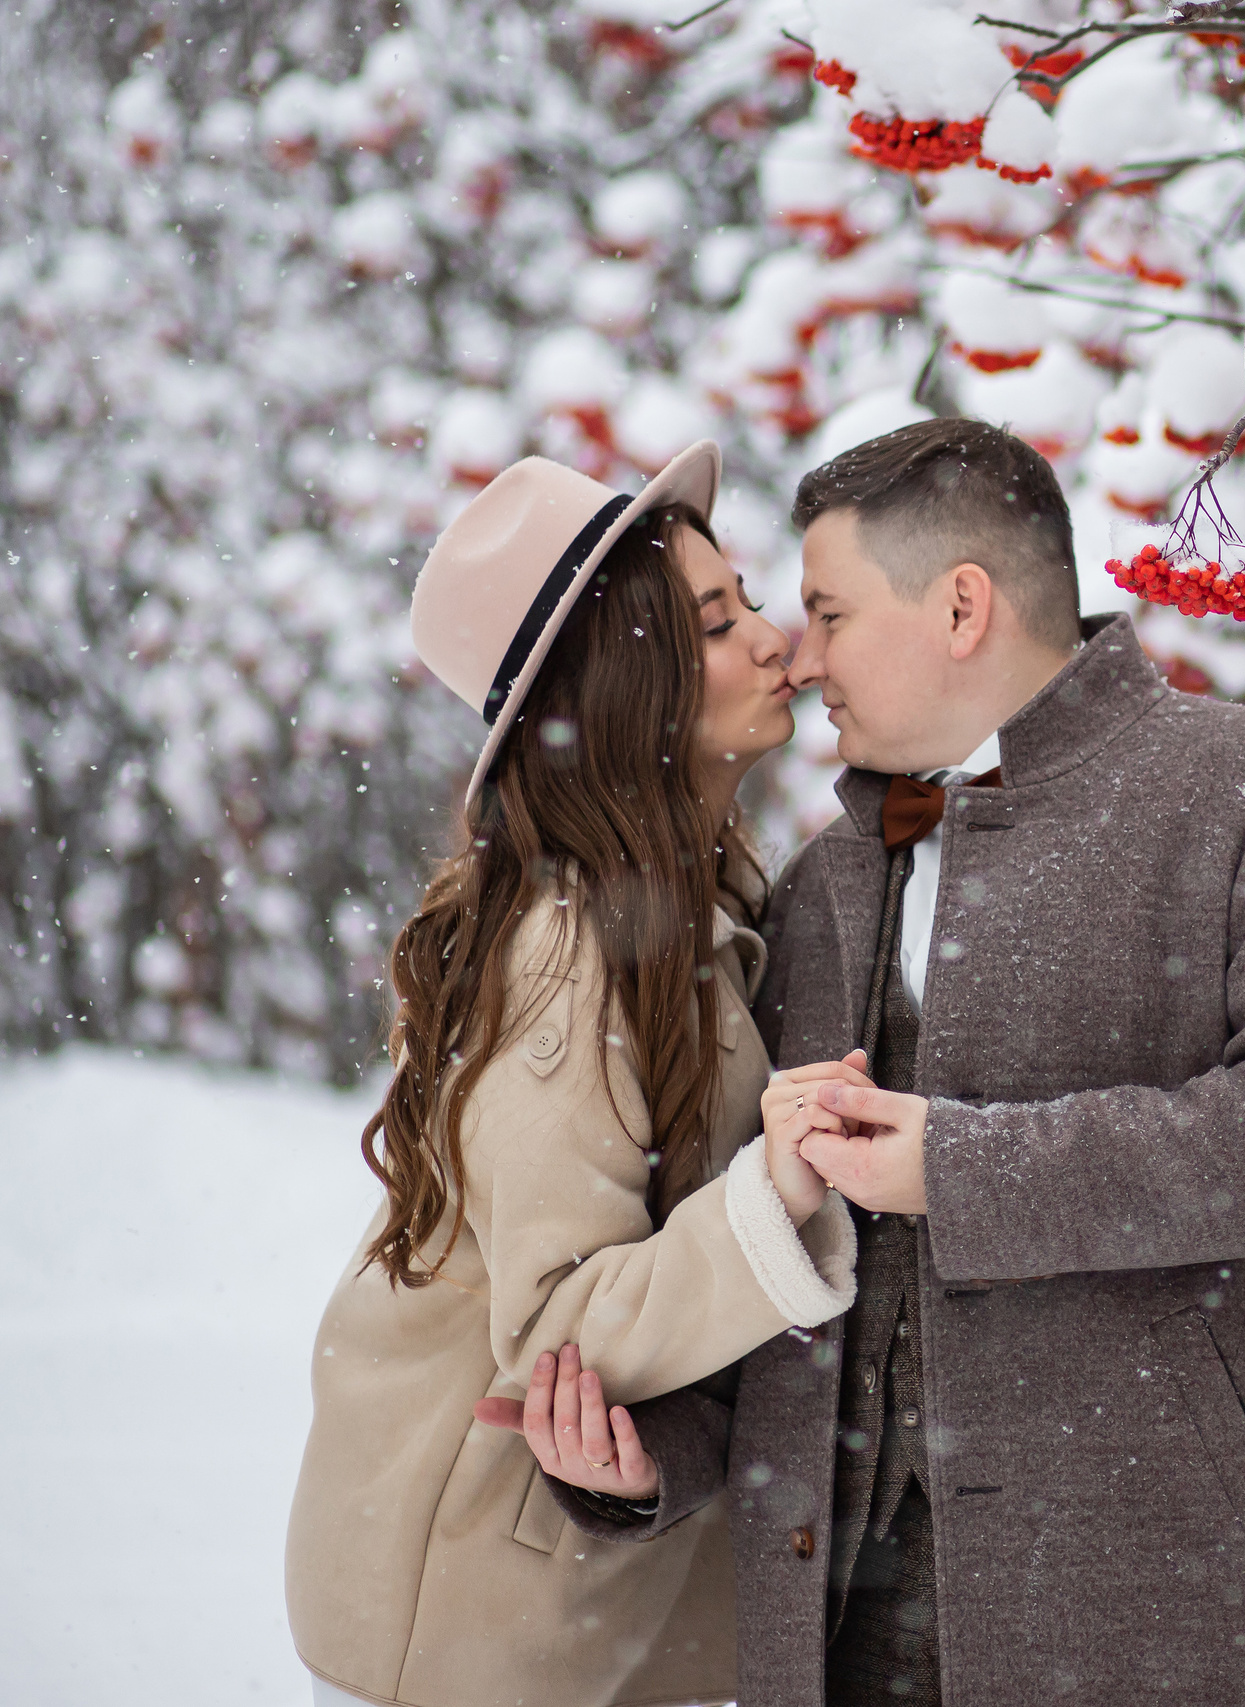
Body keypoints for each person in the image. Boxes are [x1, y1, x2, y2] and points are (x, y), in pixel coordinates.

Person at [500, 417, 1245, 1705]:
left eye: (828, 609)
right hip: (841, 1627)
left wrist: (970, 1167)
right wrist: (655, 1455)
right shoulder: (820, 885)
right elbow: (796, 1260)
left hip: (1177, 1604)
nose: (800, 652)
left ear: (959, 606)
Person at [285, 443, 872, 1707]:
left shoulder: (690, 907)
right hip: (469, 1622)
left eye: (748, 601)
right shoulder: (568, 950)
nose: (774, 642)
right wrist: (776, 1196)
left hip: (566, 1599)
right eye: (717, 624)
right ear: (627, 688)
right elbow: (557, 1322)